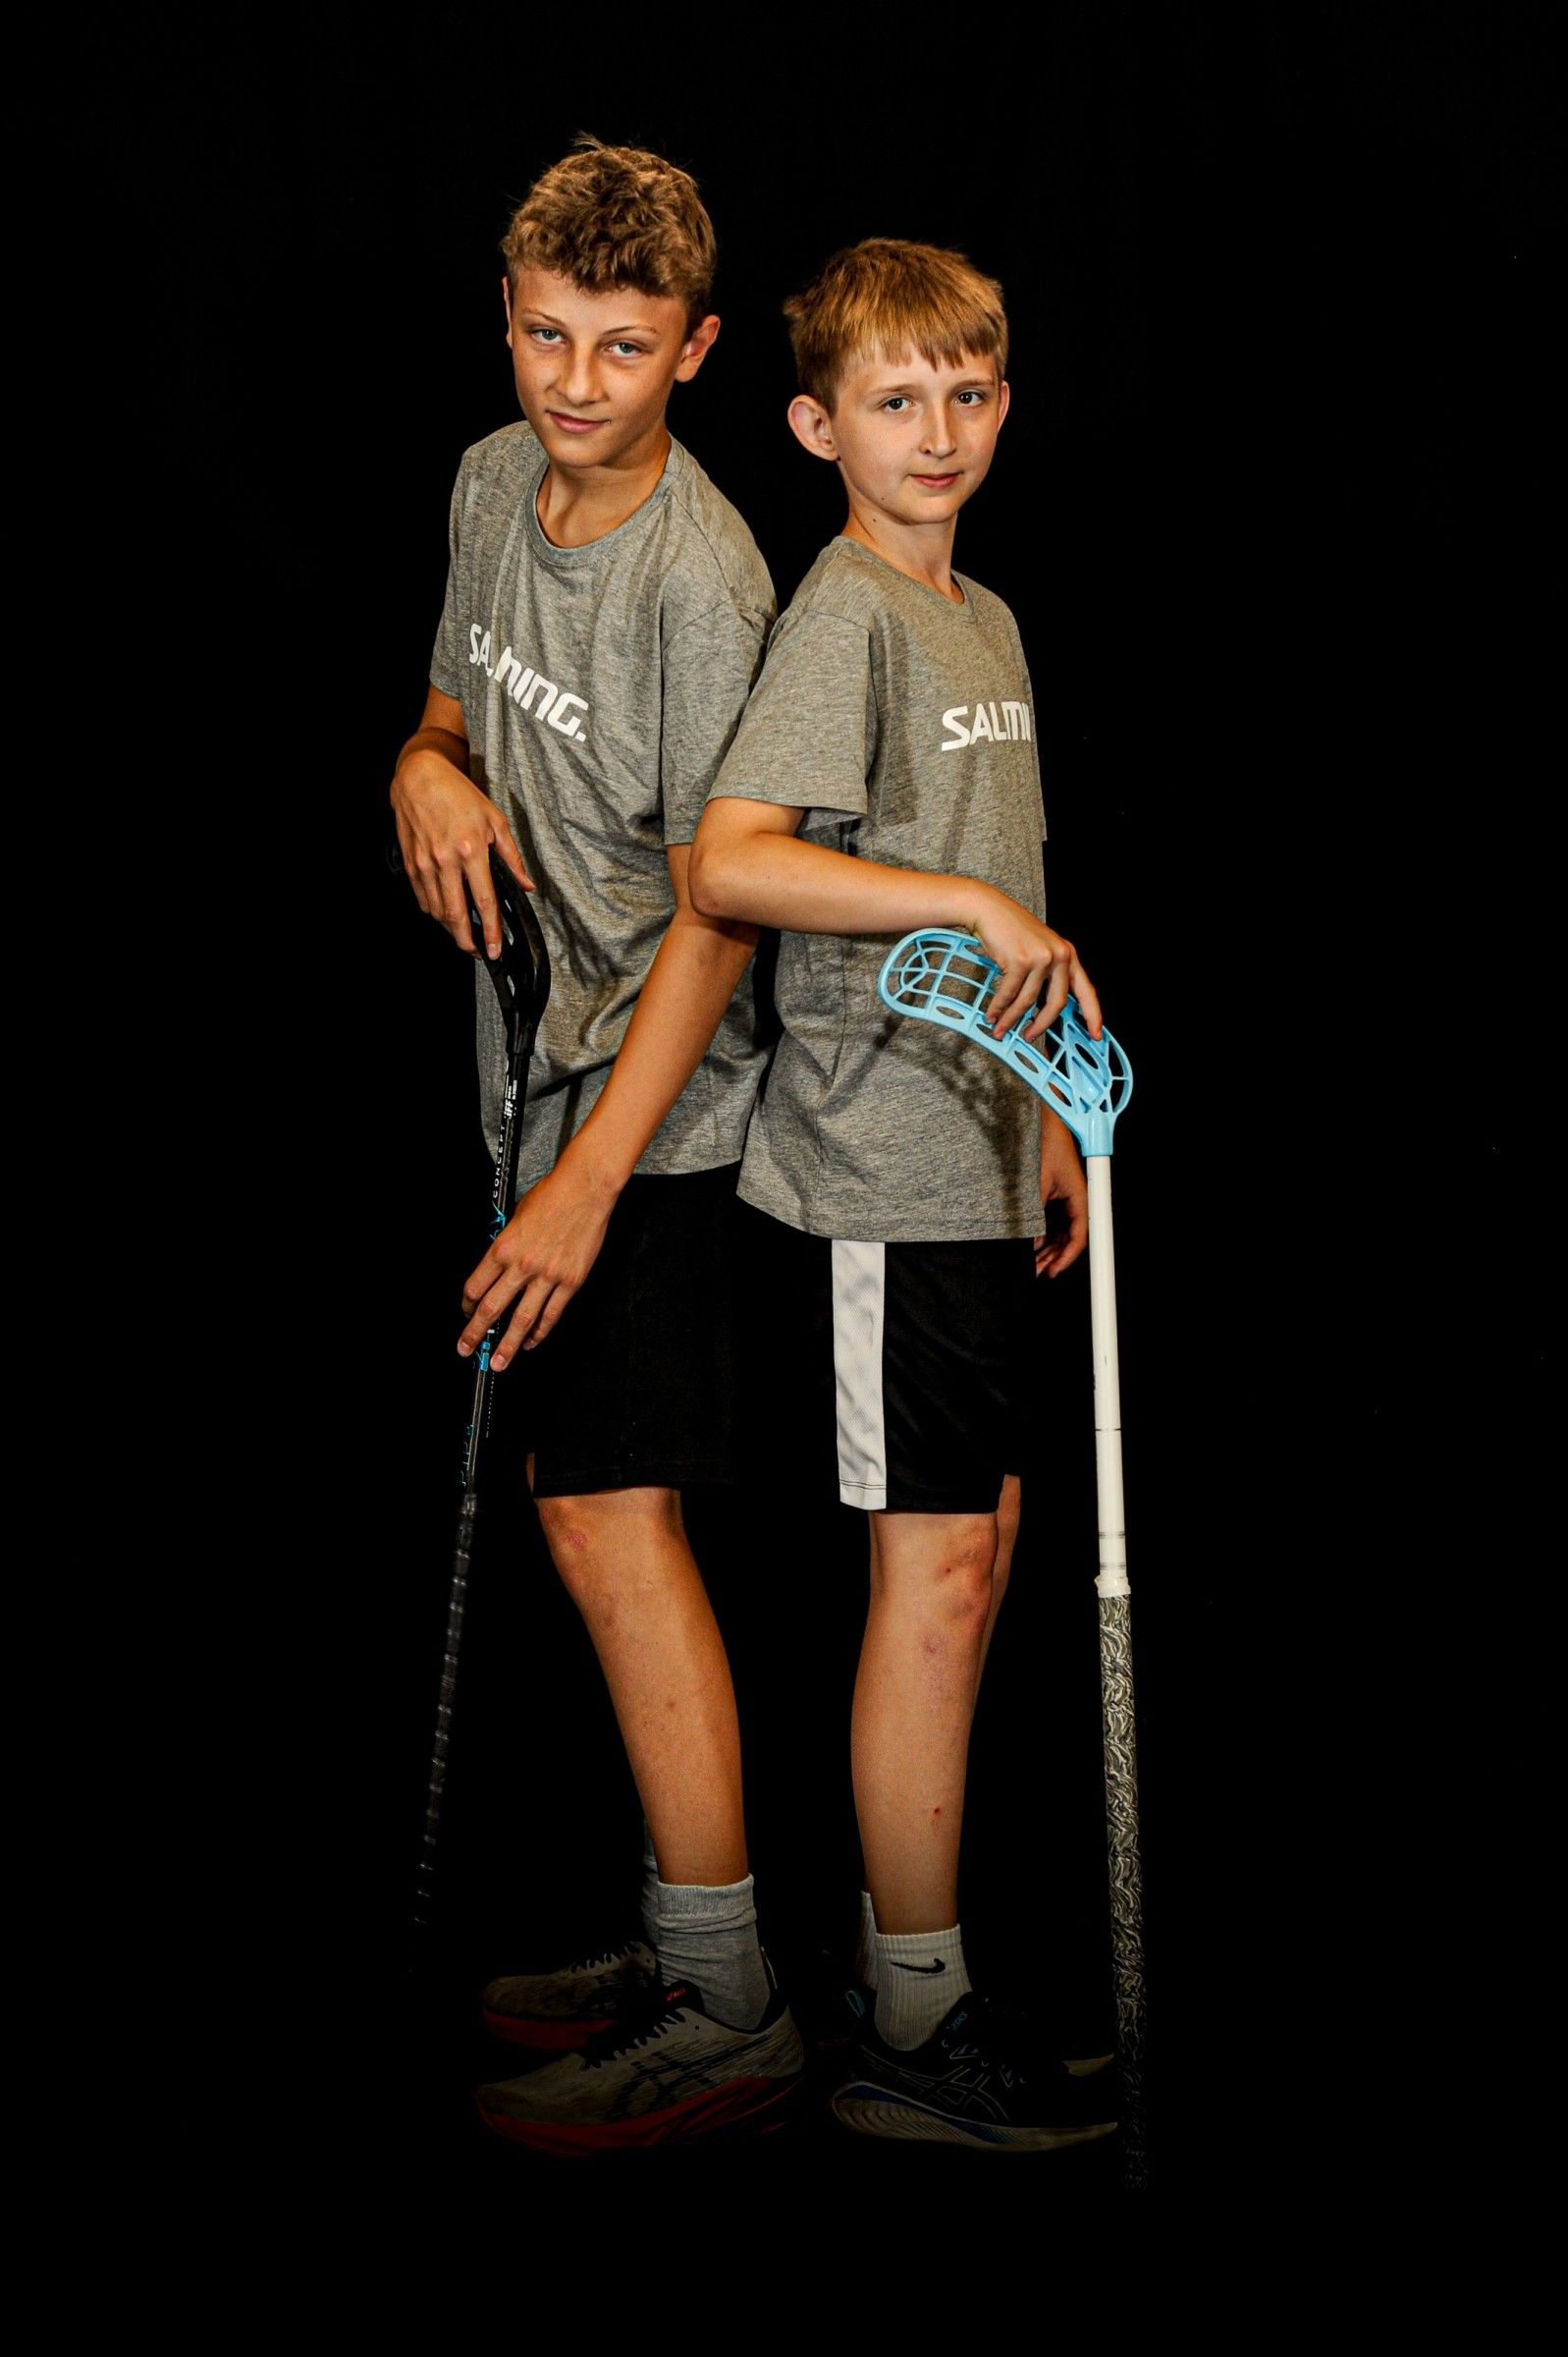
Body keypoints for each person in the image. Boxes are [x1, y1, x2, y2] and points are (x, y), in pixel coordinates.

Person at [389, 137, 802, 2154]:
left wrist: (582, 1187)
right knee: (579, 1517)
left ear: (695, 350)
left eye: (622, 349)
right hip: (533, 1087)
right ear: (508, 317)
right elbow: (449, 715)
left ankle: (729, 2006)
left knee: (614, 1522)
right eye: (547, 336)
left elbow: (722, 920)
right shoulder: (491, 479)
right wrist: (418, 766)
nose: (576, 383)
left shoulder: (703, 580)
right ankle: (673, 1937)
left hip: (665, 1113)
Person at [688, 237, 1118, 2150]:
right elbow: (734, 864)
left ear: (1002, 402)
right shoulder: (844, 612)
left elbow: (997, 904)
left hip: (976, 1161)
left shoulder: (983, 617)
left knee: (978, 1557)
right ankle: (912, 2031)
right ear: (816, 426)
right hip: (870, 1168)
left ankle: (919, 1976)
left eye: (964, 392)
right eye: (891, 398)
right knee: (929, 1579)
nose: (934, 430)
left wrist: (1043, 1116)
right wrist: (954, 901)